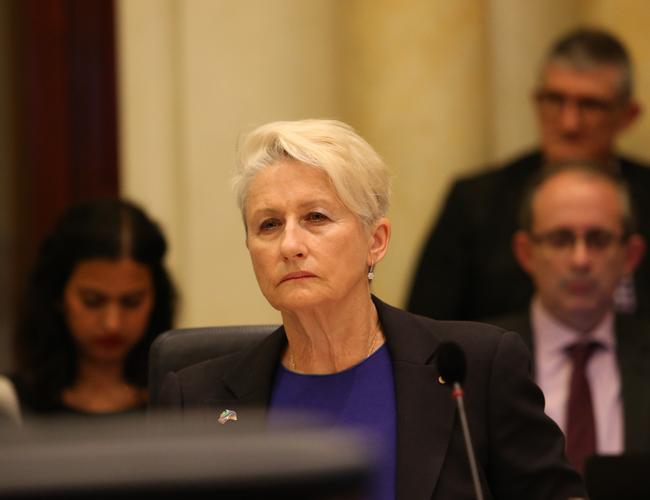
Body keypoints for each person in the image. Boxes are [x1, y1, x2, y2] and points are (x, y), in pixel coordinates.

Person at [155, 119, 586, 499]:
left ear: (375, 241)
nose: (289, 245)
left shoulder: (475, 368)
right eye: (269, 225)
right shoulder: (194, 400)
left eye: (316, 218)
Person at [408, 27, 650, 321]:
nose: (569, 123)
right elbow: (424, 329)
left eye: (590, 105)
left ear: (628, 115)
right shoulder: (476, 203)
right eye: (555, 100)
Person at [490, 163, 650, 475]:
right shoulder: (476, 357)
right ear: (526, 253)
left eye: (599, 239)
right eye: (561, 239)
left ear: (630, 256)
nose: (580, 260)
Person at [10, 198, 176, 417]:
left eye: (131, 302)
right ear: (58, 295)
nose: (112, 323)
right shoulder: (10, 404)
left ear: (156, 298)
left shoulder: (183, 399)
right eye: (92, 300)